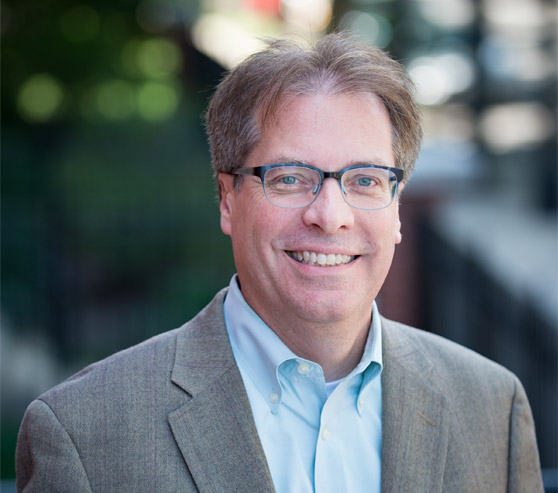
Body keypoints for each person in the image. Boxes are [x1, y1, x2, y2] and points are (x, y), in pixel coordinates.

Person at [16, 33, 543, 493]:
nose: (329, 216)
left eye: (365, 180)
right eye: (289, 177)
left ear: (397, 207)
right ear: (226, 199)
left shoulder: (492, 409)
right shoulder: (85, 435)